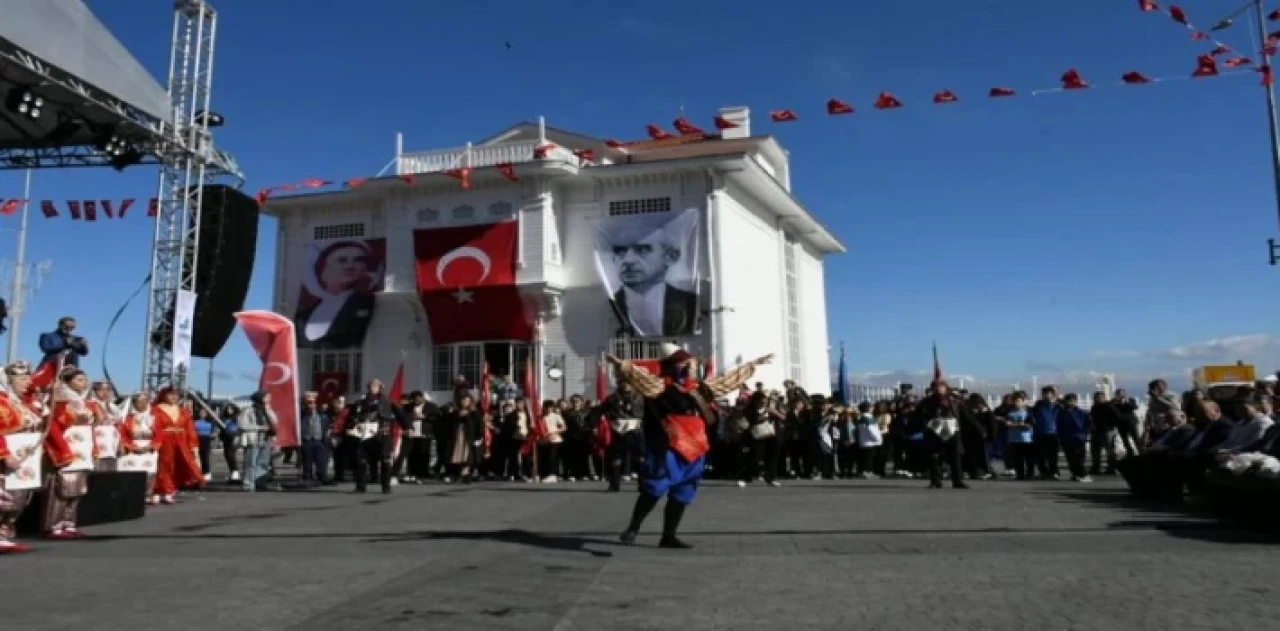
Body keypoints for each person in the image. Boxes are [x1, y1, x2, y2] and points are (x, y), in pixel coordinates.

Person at [611, 344, 772, 549]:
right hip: (668, 446)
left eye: (693, 363)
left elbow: (725, 383)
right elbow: (643, 379)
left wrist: (753, 365)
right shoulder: (661, 387)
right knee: (655, 487)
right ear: (676, 366)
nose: (694, 366)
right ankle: (633, 528)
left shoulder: (699, 389)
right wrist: (623, 365)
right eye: (688, 363)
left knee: (684, 490)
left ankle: (668, 535)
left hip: (695, 447)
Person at [606, 227, 698, 336]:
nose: (628, 260)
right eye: (620, 251)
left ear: (670, 257)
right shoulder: (608, 305)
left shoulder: (691, 303)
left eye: (643, 250)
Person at [294, 240, 383, 348]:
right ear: (323, 267)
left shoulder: (365, 300)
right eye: (342, 260)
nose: (350, 266)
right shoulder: (304, 314)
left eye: (358, 260)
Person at [42, 368, 95, 537]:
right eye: (79, 379)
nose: (83, 383)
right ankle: (54, 526)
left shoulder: (81, 400)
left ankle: (69, 523)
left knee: (77, 488)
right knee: (62, 489)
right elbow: (54, 425)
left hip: (83, 448)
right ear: (68, 381)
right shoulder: (60, 400)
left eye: (84, 379)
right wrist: (62, 450)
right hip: (69, 447)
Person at [0, 362, 42, 553]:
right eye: (22, 378)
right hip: (5, 459)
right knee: (5, 498)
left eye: (28, 378)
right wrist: (5, 455)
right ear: (8, 380)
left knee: (19, 497)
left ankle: (5, 534)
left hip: (25, 458)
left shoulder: (23, 403)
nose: (28, 382)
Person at [914, 380, 969, 490]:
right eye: (936, 387)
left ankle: (957, 481)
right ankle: (936, 481)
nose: (939, 389)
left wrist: (978, 428)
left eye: (941, 387)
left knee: (955, 457)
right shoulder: (927, 402)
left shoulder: (954, 400)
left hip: (952, 430)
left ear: (946, 387)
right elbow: (918, 416)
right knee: (935, 457)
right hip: (935, 431)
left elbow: (966, 415)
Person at [152, 388, 203, 503]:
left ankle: (169, 490)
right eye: (170, 395)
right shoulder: (156, 410)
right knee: (163, 465)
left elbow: (190, 429)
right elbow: (154, 426)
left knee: (177, 465)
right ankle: (158, 490)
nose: (174, 397)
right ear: (164, 396)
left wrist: (193, 444)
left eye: (176, 395)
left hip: (181, 441)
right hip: (164, 441)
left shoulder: (183, 411)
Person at [351, 379, 401, 493]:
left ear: (380, 388)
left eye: (375, 386)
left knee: (385, 461)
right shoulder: (360, 402)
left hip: (382, 435)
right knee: (361, 461)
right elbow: (352, 416)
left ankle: (386, 486)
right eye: (370, 386)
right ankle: (360, 486)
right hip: (364, 435)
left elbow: (400, 414)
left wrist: (408, 427)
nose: (372, 388)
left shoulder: (389, 402)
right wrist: (353, 424)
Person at [119, 393, 160, 505]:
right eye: (139, 402)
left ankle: (147, 495)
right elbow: (122, 435)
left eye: (145, 402)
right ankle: (130, 495)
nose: (142, 404)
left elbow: (159, 434)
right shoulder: (126, 418)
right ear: (134, 403)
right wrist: (132, 447)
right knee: (131, 472)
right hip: (132, 448)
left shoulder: (153, 418)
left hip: (148, 448)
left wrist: (151, 446)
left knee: (149, 472)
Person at [237, 391, 279, 492]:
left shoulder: (267, 410)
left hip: (266, 439)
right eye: (266, 397)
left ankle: (260, 482)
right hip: (253, 439)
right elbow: (242, 425)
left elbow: (275, 421)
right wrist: (260, 428)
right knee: (250, 462)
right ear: (260, 398)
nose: (269, 398)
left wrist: (268, 410)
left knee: (263, 462)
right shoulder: (248, 410)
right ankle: (248, 484)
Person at [298, 392, 331, 485]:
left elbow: (326, 425)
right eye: (309, 402)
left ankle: (322, 477)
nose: (311, 404)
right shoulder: (301, 414)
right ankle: (308, 478)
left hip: (319, 440)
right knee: (307, 461)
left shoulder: (322, 414)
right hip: (306, 440)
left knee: (321, 460)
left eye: (313, 402)